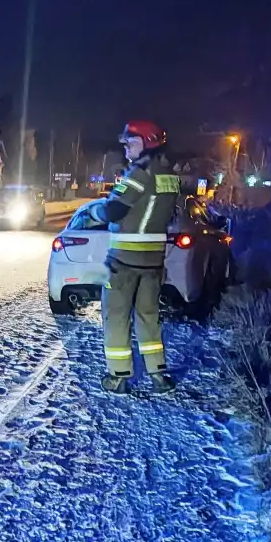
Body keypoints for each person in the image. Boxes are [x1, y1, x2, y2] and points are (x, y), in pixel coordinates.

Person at [94, 120, 180, 395]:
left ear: (148, 142)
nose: (126, 146)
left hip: (124, 261)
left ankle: (118, 377)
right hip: (153, 261)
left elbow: (113, 211)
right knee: (149, 316)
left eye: (131, 141)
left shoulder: (139, 173)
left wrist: (97, 212)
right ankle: (158, 373)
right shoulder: (169, 175)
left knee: (116, 316)